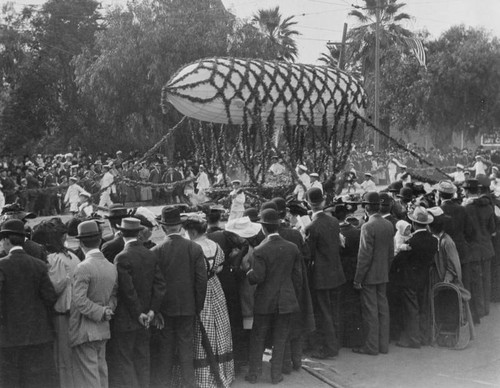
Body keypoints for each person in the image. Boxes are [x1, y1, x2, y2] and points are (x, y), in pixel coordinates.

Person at [243, 209, 302, 385]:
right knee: (280, 338)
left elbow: (257, 278)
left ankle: (254, 374)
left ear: (263, 228)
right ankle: (276, 375)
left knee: (258, 337)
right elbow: (297, 278)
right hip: (286, 300)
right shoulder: (292, 248)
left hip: (265, 301)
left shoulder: (260, 250)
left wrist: (247, 270)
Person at [151, 207, 208, 388]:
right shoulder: (194, 248)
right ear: (181, 226)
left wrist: (156, 309)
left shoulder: (156, 250)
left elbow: (155, 284)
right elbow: (201, 281)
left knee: (165, 350)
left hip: (165, 309)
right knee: (186, 349)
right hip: (188, 307)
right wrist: (197, 306)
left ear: (163, 227)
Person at [108, 218, 166, 388]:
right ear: (139, 233)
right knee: (143, 358)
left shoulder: (121, 257)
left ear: (121, 233)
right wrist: (152, 311)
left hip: (127, 319)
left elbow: (127, 290)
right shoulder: (150, 254)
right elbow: (160, 285)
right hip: (147, 318)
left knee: (125, 360)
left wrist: (137, 313)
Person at [0, 219, 58, 388]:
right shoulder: (39, 265)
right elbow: (50, 297)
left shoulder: (2, 266)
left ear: (6, 240)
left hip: (8, 338)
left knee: (10, 381)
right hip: (38, 336)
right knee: (36, 381)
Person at [183, 215, 235, 388]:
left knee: (200, 327)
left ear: (192, 231)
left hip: (199, 287)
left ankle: (203, 378)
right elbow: (220, 266)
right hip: (214, 286)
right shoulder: (215, 245)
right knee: (218, 327)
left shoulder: (192, 247)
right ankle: (222, 372)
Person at [69, 220, 118, 388]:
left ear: (81, 242)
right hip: (103, 329)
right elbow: (114, 295)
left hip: (85, 331)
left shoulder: (83, 267)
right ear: (100, 241)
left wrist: (102, 312)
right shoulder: (111, 267)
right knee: (101, 373)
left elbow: (79, 300)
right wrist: (107, 310)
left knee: (88, 378)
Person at [32, 219, 80, 388]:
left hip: (61, 316)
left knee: (62, 360)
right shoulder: (72, 256)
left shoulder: (54, 259)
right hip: (75, 313)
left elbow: (51, 290)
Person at [305, 187, 346, 359]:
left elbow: (308, 254)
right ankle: (335, 343)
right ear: (322, 202)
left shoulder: (311, 227)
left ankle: (329, 348)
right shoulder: (334, 221)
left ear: (308, 204)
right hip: (336, 272)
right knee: (334, 310)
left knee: (324, 313)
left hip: (321, 276)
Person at [353, 192, 394, 355]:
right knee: (383, 310)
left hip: (369, 276)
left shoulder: (367, 226)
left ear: (366, 208)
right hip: (383, 273)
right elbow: (391, 253)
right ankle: (383, 345)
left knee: (370, 312)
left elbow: (364, 256)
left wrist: (358, 279)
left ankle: (371, 346)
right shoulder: (388, 224)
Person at [391, 207, 437, 348]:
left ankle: (413, 339)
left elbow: (399, 260)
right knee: (423, 308)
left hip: (410, 278)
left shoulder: (412, 242)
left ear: (414, 224)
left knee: (411, 309)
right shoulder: (433, 240)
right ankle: (424, 337)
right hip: (424, 277)